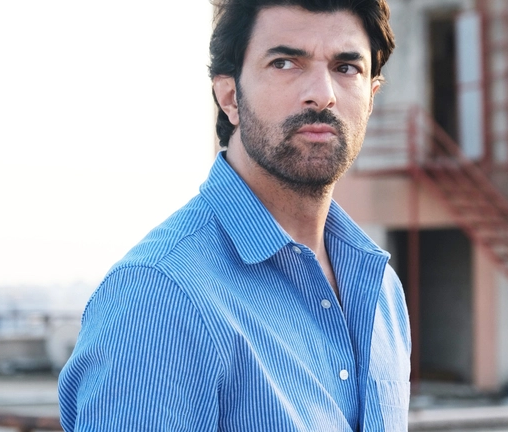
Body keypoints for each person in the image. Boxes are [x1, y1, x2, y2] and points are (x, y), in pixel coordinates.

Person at [58, 0, 410, 430]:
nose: (323, 93)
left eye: (346, 67)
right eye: (285, 63)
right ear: (229, 98)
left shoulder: (381, 289)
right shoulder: (161, 297)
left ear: (371, 96)